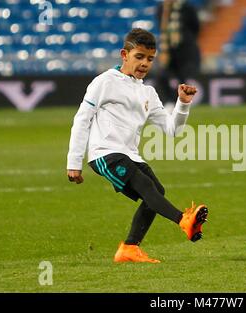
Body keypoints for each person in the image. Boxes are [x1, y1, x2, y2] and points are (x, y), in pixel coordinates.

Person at [66, 28, 208, 264]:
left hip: (130, 154)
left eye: (150, 59)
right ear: (125, 54)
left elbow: (172, 130)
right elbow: (82, 119)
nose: (144, 63)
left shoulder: (148, 93)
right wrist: (74, 162)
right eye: (139, 57)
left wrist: (183, 104)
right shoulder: (104, 82)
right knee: (145, 186)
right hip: (105, 153)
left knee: (156, 191)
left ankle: (129, 248)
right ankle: (183, 219)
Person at [156, 0, 201, 109]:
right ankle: (169, 102)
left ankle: (178, 104)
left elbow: (196, 27)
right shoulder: (162, 8)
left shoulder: (187, 8)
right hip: (168, 50)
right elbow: (161, 28)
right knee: (161, 75)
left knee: (183, 78)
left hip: (185, 50)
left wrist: (184, 39)